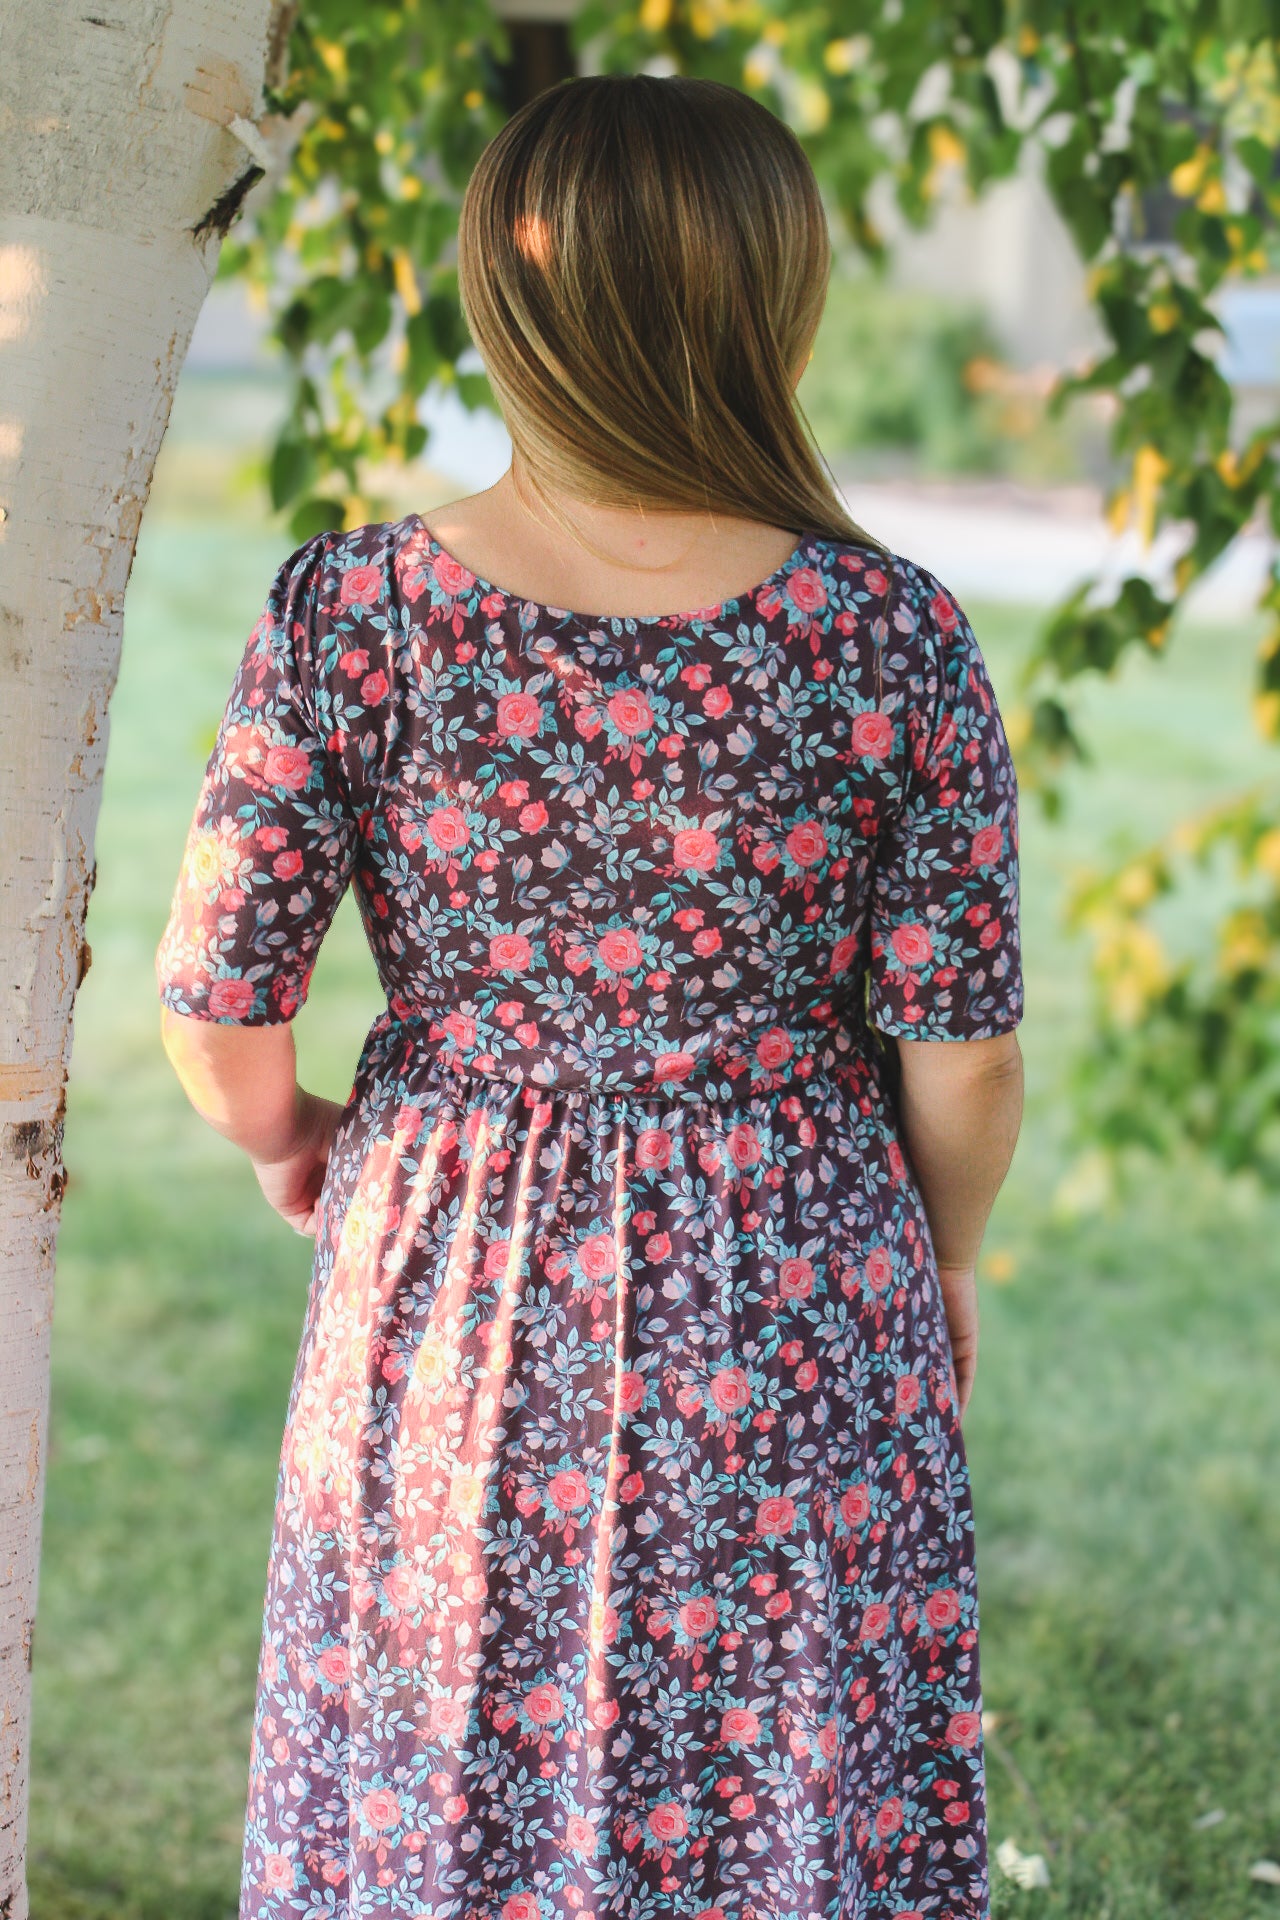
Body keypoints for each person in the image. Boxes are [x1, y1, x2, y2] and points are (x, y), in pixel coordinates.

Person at [156, 70, 1025, 1920]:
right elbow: (965, 1058)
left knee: (443, 1741)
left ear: (508, 302)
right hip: (802, 1275)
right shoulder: (895, 635)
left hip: (456, 1278)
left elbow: (221, 1010)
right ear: (773, 301)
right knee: (784, 1759)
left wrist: (287, 1141)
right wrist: (939, 1258)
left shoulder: (355, 611)